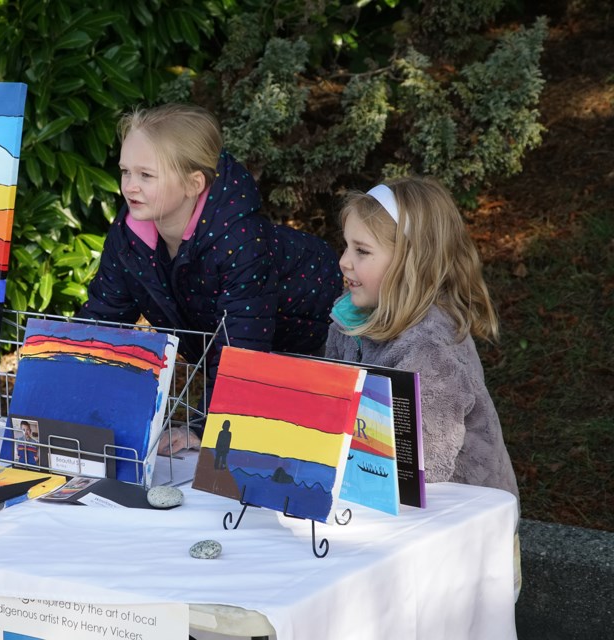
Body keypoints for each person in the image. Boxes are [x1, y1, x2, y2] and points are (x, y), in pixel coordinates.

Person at [78, 103, 342, 454]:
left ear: (193, 184)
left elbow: (241, 348)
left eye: (146, 175)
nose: (130, 186)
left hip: (318, 340)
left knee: (286, 452)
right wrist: (60, 392)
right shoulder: (128, 237)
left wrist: (205, 428)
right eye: (126, 171)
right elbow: (102, 317)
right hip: (251, 345)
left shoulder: (239, 241)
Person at [325, 176, 521, 598]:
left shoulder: (432, 346)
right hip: (374, 508)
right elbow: (332, 405)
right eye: (346, 246)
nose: (344, 260)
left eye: (361, 251)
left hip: (463, 535)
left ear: (411, 262)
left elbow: (421, 467)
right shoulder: (350, 320)